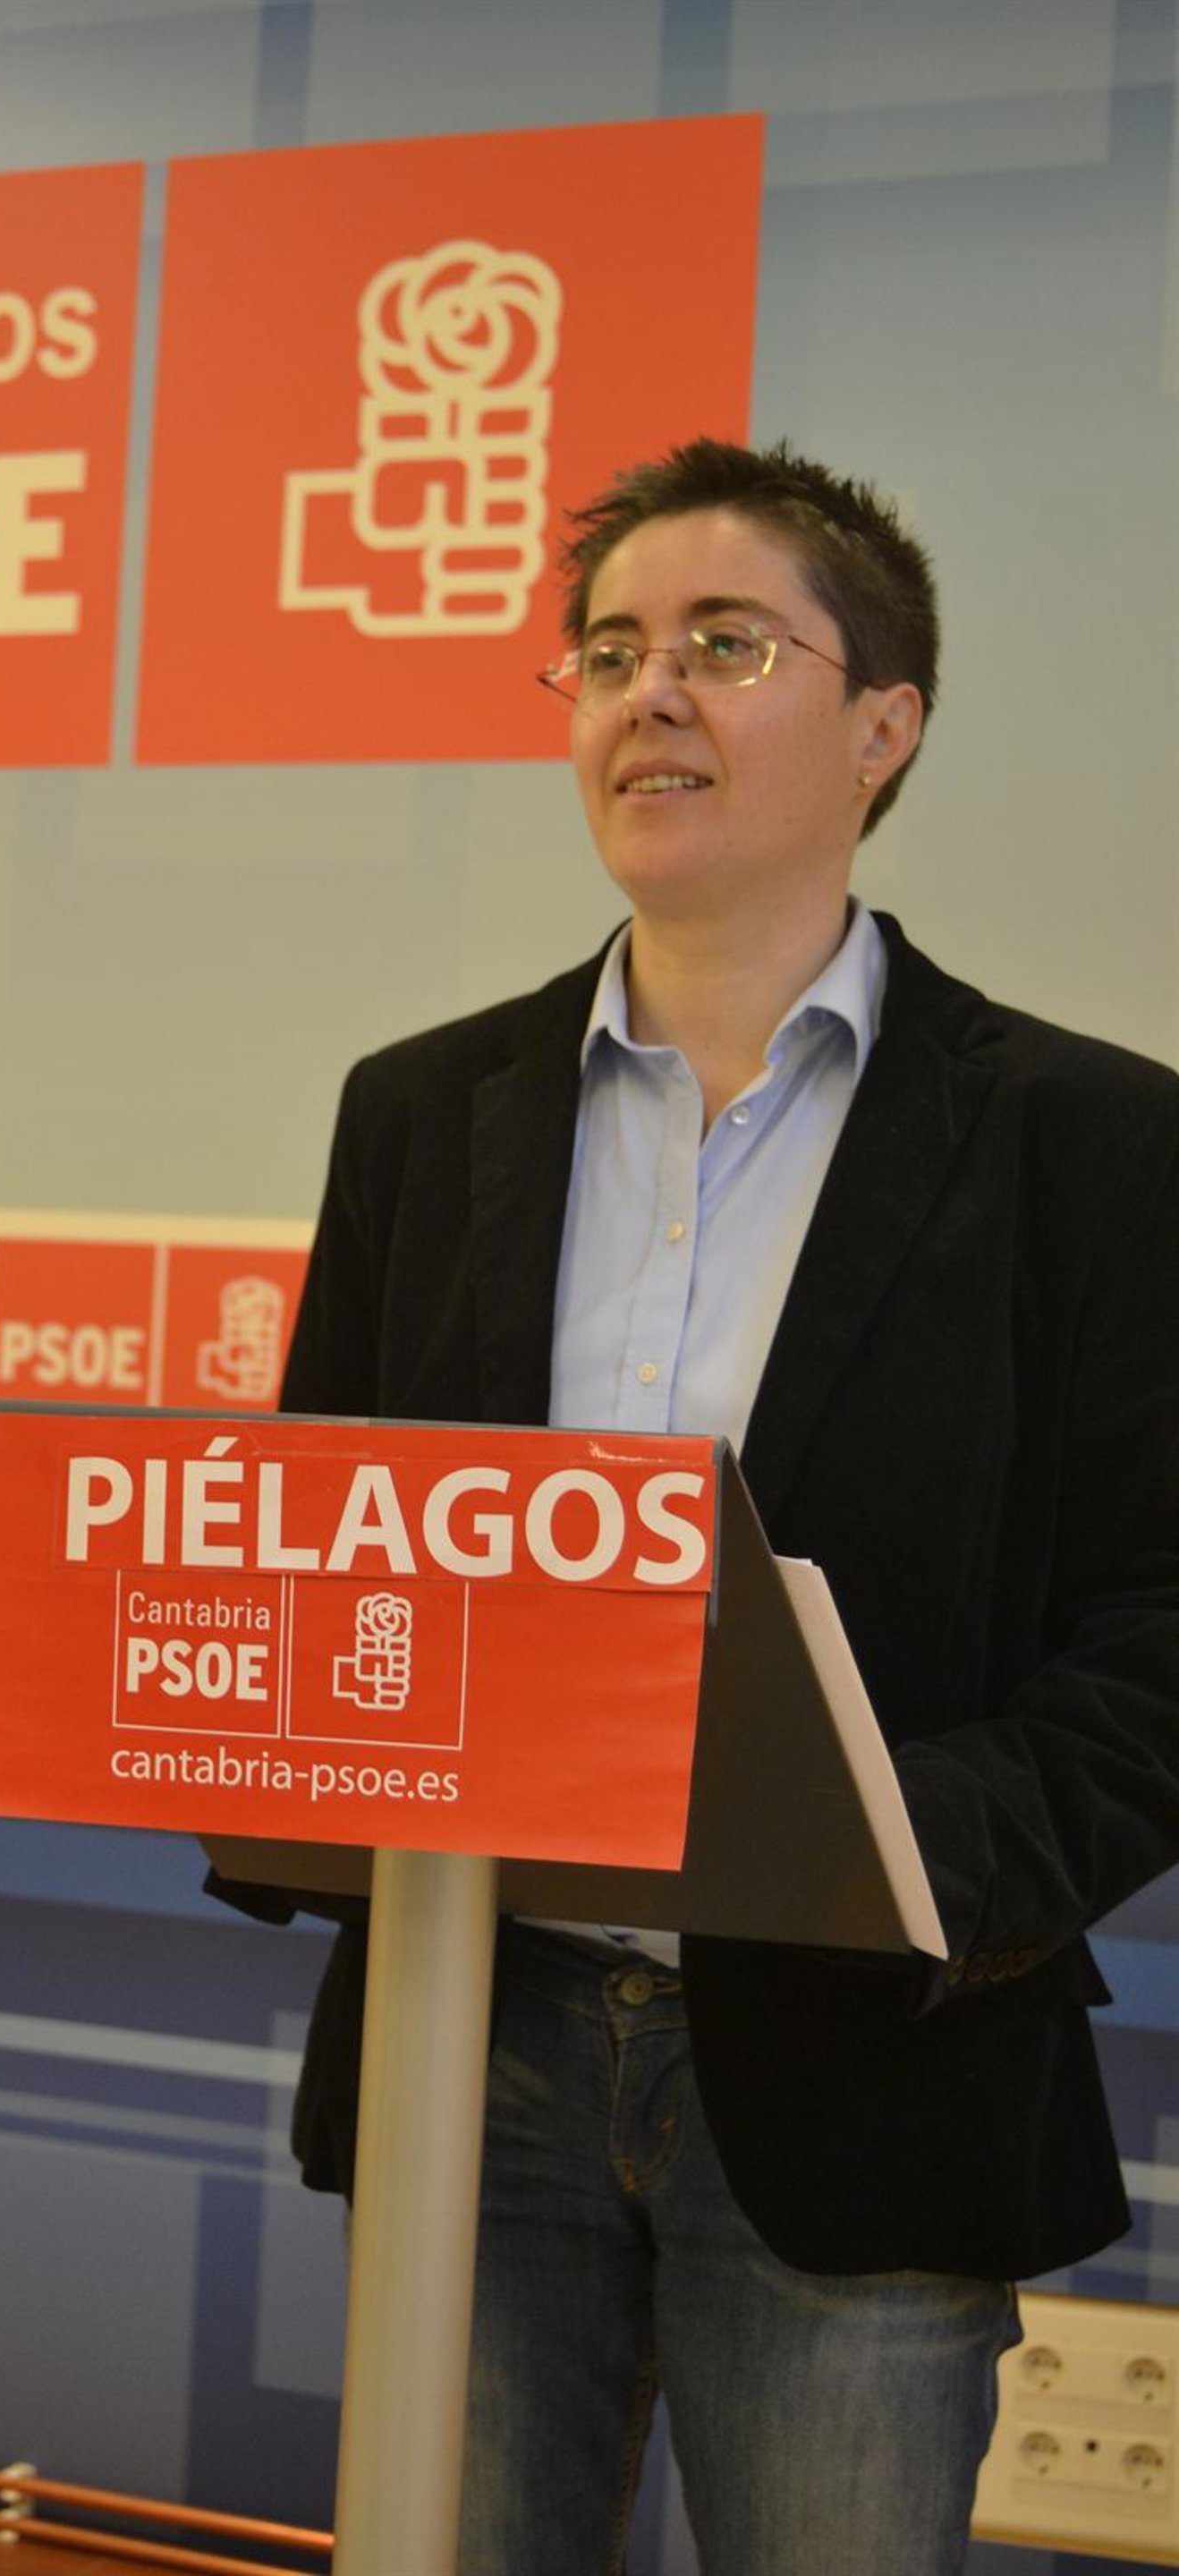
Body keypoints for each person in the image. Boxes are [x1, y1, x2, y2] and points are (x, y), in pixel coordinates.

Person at [219, 439, 1179, 2573]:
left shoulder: (1095, 1145)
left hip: (870, 2067)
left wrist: (895, 1852)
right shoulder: (421, 1112)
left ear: (884, 726)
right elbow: (325, 1540)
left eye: (726, 645)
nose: (647, 692)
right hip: (476, 2040)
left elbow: (1160, 1628)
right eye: (608, 651)